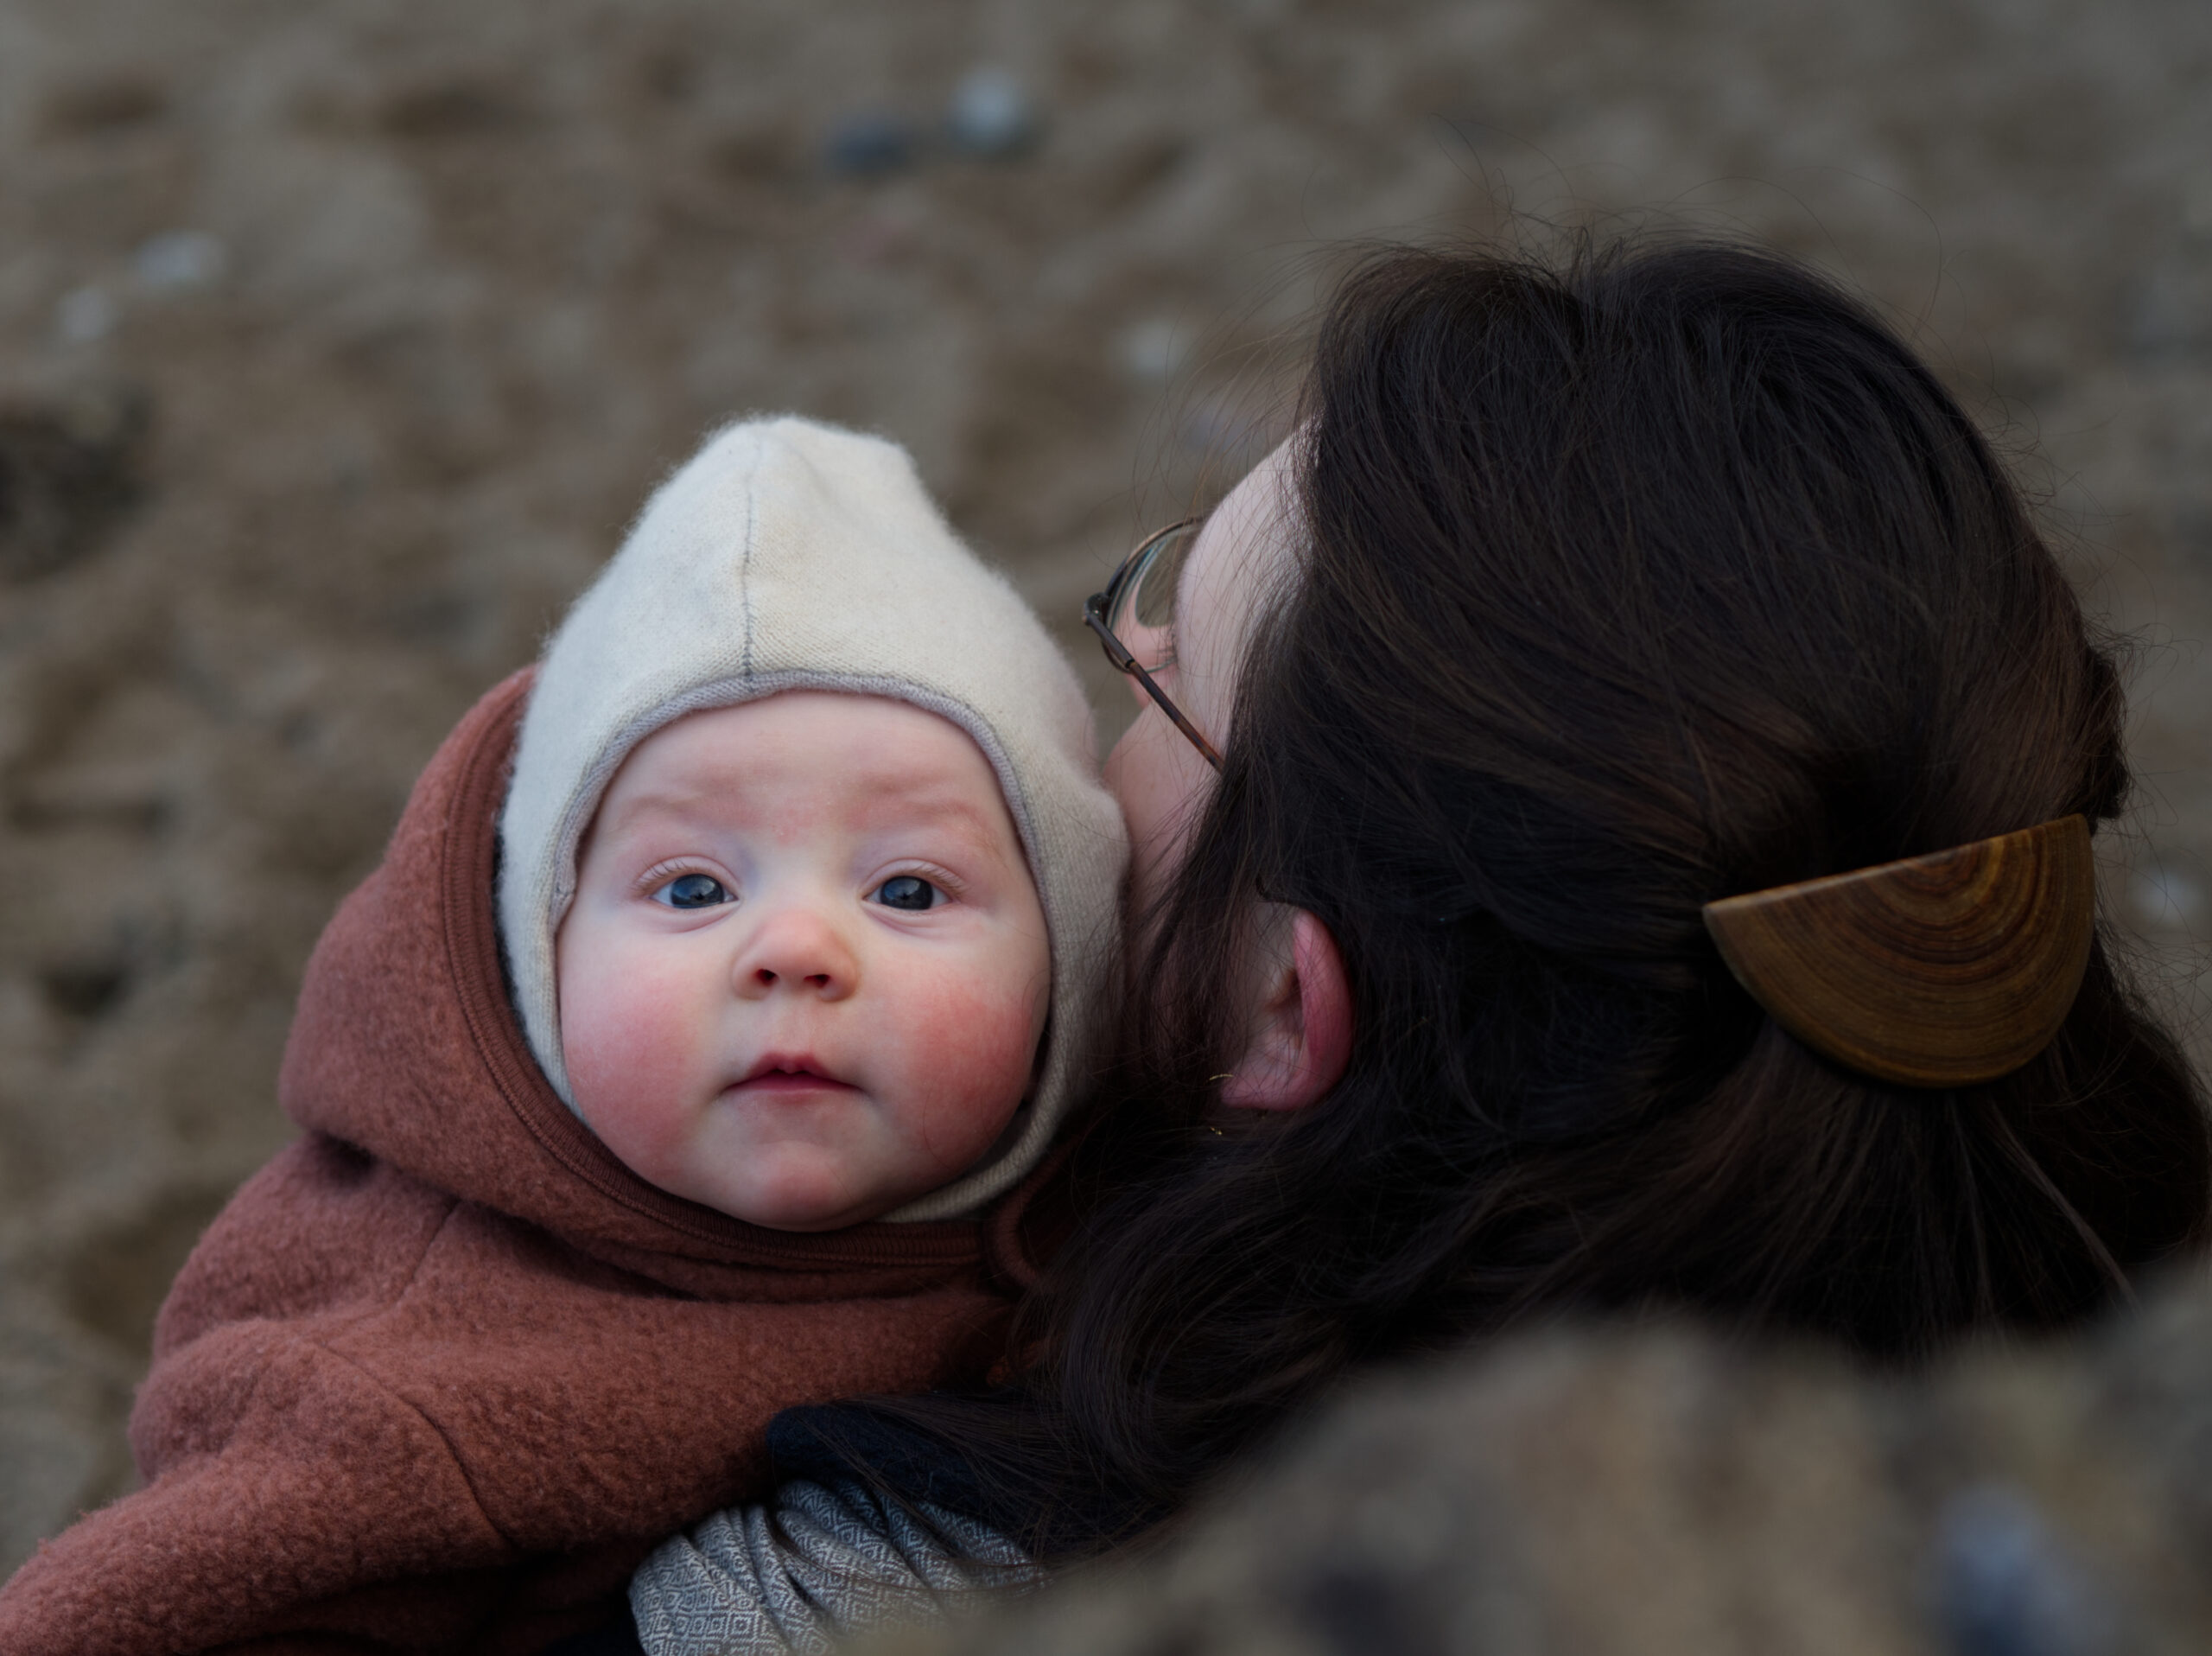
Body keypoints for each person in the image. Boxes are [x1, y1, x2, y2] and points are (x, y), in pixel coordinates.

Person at [621, 237, 2212, 1655]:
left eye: (1166, 681)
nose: (1121, 661)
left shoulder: (854, 1602)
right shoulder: (2134, 1429)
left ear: (1280, 1003)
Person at [0, 417, 1124, 1654]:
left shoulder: (1169, 1180)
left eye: (908, 889)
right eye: (692, 888)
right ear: (540, 954)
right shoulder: (406, 1363)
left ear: (1070, 961)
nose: (796, 948)